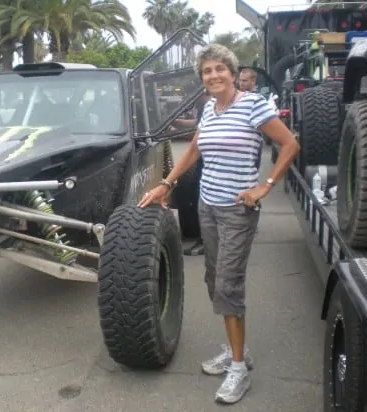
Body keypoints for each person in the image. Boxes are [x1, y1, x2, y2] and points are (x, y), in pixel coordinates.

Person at [138, 43, 299, 405]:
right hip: (208, 207)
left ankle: (239, 368)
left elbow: (289, 144)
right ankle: (233, 349)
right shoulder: (209, 108)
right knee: (214, 280)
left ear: (232, 71)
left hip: (237, 210)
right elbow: (194, 148)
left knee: (227, 285)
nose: (213, 76)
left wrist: (265, 186)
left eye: (219, 69)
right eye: (207, 71)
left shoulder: (254, 105)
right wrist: (167, 184)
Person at [169, 91, 210, 256]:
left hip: (206, 162)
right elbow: (196, 124)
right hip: (203, 161)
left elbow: (198, 139)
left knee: (200, 199)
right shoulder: (206, 107)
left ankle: (204, 240)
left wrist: (173, 131)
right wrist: (178, 122)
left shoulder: (208, 105)